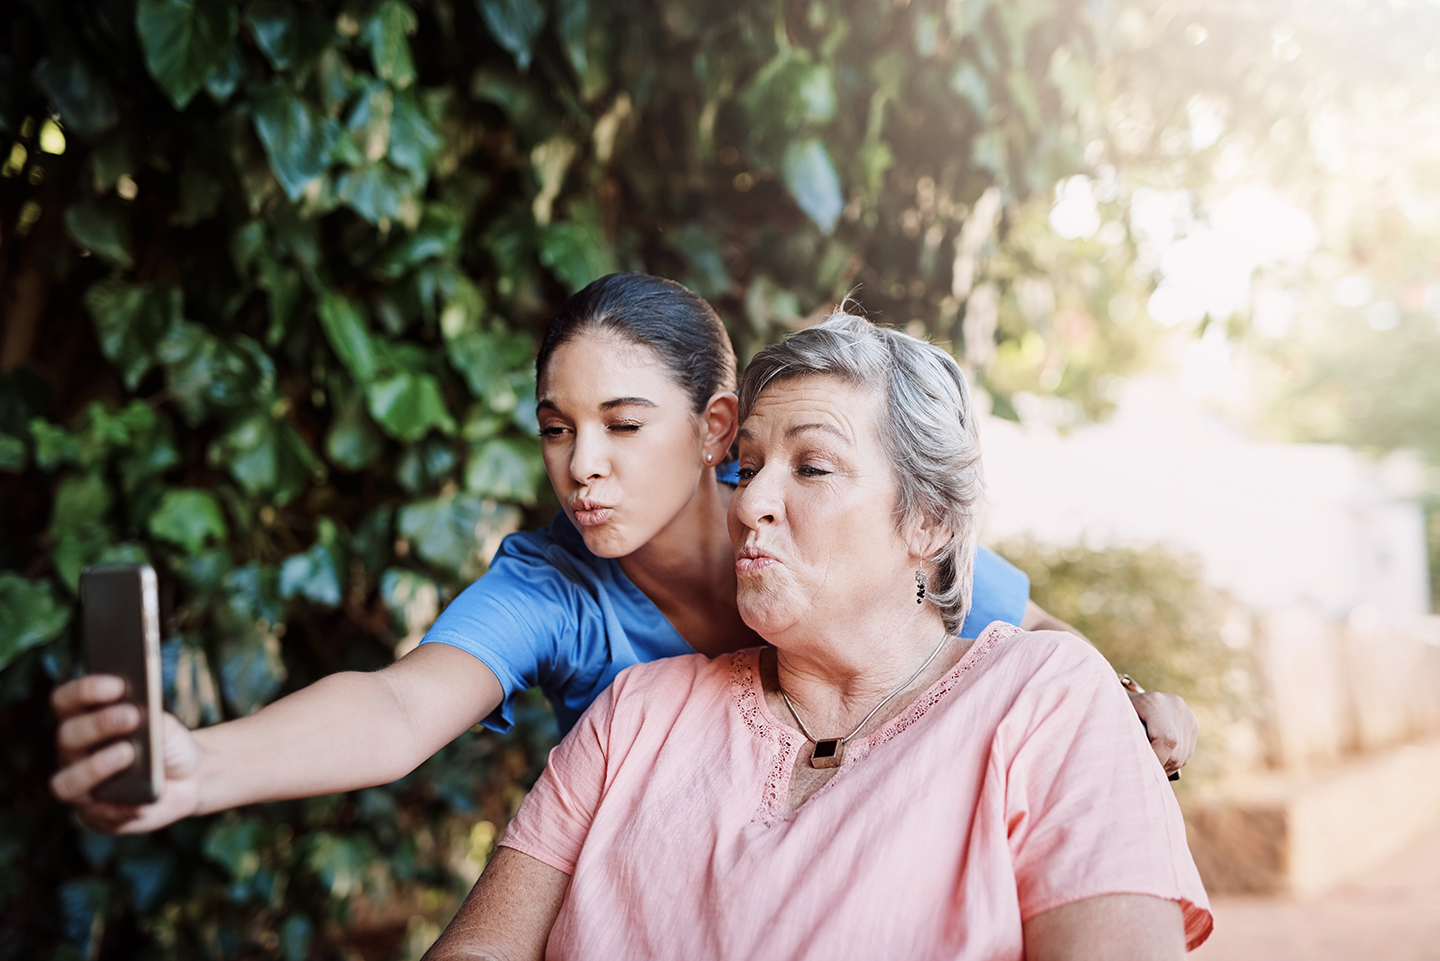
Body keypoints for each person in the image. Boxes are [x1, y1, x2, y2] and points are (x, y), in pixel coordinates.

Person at [49, 274, 1193, 834]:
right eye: (556, 427)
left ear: (712, 428)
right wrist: (199, 763)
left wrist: (1138, 707)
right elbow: (397, 711)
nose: (580, 464)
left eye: (623, 424)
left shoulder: (822, 521)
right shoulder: (553, 587)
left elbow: (1020, 638)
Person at [423, 311, 1212, 961]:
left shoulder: (1048, 702)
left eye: (813, 467)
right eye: (751, 461)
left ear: (929, 520)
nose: (748, 501)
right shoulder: (633, 712)